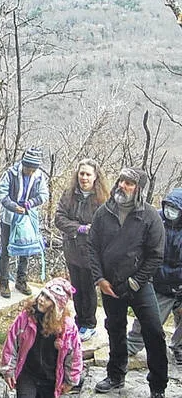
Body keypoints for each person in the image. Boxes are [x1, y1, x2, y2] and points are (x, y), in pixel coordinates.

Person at [88, 167, 167, 397]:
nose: (123, 185)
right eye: (121, 181)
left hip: (139, 286)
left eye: (129, 183)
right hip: (110, 285)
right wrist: (100, 279)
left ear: (139, 188)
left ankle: (158, 386)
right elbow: (92, 248)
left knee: (154, 331)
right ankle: (115, 375)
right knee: (115, 329)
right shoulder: (104, 213)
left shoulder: (150, 216)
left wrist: (135, 282)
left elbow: (156, 255)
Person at [54, 159, 109, 342]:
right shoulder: (70, 194)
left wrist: (92, 232)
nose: (84, 177)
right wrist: (79, 228)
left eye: (88, 174)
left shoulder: (102, 199)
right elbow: (59, 218)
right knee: (76, 288)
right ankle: (79, 320)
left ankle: (90, 323)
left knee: (89, 288)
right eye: (81, 173)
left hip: (92, 253)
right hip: (72, 249)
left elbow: (104, 226)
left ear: (95, 177)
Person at [0, 277, 83, 398]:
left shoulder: (68, 328)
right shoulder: (26, 317)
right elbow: (11, 343)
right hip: (28, 374)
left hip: (51, 379)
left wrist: (71, 380)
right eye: (42, 295)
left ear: (57, 306)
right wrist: (8, 370)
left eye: (48, 298)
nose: (42, 300)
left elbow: (75, 355)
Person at [126, 188, 182, 365]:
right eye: (169, 207)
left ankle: (179, 346)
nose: (171, 211)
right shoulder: (155, 220)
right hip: (158, 281)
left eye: (176, 209)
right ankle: (131, 345)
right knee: (148, 317)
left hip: (179, 282)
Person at [0, 147, 49, 298]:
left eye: (33, 169)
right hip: (9, 217)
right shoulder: (11, 173)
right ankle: (4, 281)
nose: (30, 172)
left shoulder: (39, 176)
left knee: (26, 249)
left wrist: (31, 203)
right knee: (6, 249)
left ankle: (21, 279)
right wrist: (13, 206)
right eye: (28, 168)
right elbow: (1, 193)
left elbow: (44, 194)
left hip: (27, 217)